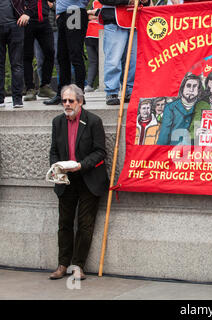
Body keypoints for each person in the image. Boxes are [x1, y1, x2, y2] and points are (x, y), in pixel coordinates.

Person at [49, 84, 109, 280]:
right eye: (64, 100)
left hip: (88, 178)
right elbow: (54, 151)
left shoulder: (93, 121)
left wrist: (81, 165)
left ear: (80, 101)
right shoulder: (57, 122)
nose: (66, 104)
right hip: (66, 180)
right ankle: (62, 264)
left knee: (85, 225)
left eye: (70, 101)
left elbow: (100, 152)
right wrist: (56, 168)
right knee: (64, 223)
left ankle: (78, 266)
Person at [98, 0, 150, 105]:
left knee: (133, 60)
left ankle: (130, 90)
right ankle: (112, 91)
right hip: (115, 20)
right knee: (114, 59)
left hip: (135, 18)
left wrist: (145, 1)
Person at [44, 0, 89, 105]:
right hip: (63, 13)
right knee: (62, 56)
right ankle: (62, 94)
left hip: (74, 11)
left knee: (75, 54)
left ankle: (79, 94)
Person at [23, 0, 56, 101]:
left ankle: (45, 86)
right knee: (27, 55)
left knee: (50, 52)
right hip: (28, 20)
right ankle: (30, 89)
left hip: (44, 20)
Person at [157, 74, 203, 145]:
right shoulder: (170, 108)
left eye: (195, 86)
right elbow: (164, 136)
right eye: (188, 86)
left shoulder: (202, 107)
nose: (191, 89)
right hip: (173, 151)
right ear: (182, 88)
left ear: (199, 90)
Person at [0, 0, 28, 108]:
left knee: (17, 64)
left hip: (15, 25)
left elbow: (31, 2)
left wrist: (27, 14)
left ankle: (17, 99)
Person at [85, 0, 104, 92]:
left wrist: (93, 13)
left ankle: (103, 85)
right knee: (93, 61)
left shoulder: (110, 2)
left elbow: (104, 16)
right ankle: (89, 85)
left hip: (101, 35)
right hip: (89, 35)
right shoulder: (95, 2)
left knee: (103, 61)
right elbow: (87, 16)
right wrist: (93, 13)